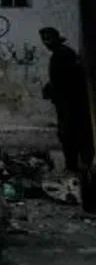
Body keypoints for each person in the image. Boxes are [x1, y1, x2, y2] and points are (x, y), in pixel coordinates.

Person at [40, 27, 95, 173]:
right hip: (68, 103)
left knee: (69, 135)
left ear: (56, 39)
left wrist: (52, 90)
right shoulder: (62, 53)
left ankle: (75, 166)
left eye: (49, 39)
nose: (46, 42)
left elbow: (67, 80)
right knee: (71, 134)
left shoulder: (62, 54)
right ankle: (77, 165)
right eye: (44, 39)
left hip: (70, 103)